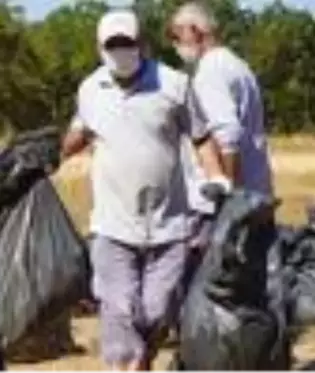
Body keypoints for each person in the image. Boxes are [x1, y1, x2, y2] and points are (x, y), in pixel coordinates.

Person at [60, 8, 232, 373]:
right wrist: (45, 155)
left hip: (168, 225)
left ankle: (142, 358)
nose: (121, 50)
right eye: (113, 45)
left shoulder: (173, 86)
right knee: (118, 310)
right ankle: (127, 363)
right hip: (111, 225)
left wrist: (217, 177)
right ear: (99, 48)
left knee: (157, 310)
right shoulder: (91, 89)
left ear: (142, 44)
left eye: (127, 42)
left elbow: (201, 138)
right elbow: (79, 134)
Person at [168, 1, 274, 237]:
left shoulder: (210, 71)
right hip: (257, 192)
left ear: (194, 31)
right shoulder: (237, 65)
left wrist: (230, 204)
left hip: (223, 206)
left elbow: (227, 137)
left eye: (176, 35)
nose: (174, 45)